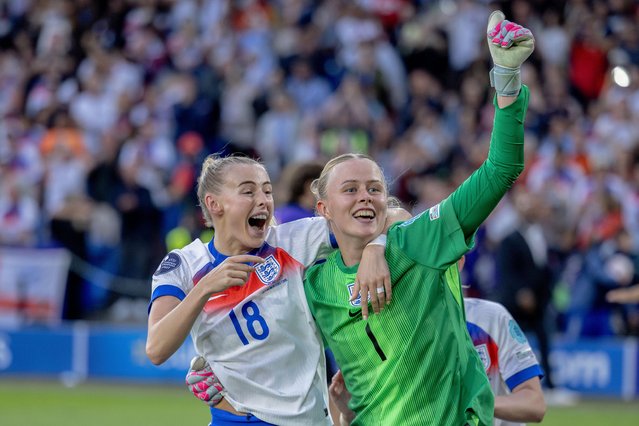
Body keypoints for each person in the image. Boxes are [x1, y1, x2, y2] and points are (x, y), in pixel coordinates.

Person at [302, 11, 534, 425]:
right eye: (350, 189)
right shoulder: (316, 285)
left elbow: (501, 168)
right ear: (323, 209)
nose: (365, 197)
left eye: (375, 187)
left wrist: (506, 76)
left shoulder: (417, 242)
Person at [146, 154, 403, 425]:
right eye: (248, 191)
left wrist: (375, 247)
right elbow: (157, 348)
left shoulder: (294, 241)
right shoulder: (184, 265)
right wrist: (204, 288)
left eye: (267, 191)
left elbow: (392, 215)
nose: (263, 200)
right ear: (214, 203)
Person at [460, 257, 546, 425]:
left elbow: (534, 403)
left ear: (460, 262)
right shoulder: (399, 326)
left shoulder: (490, 317)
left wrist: (474, 402)